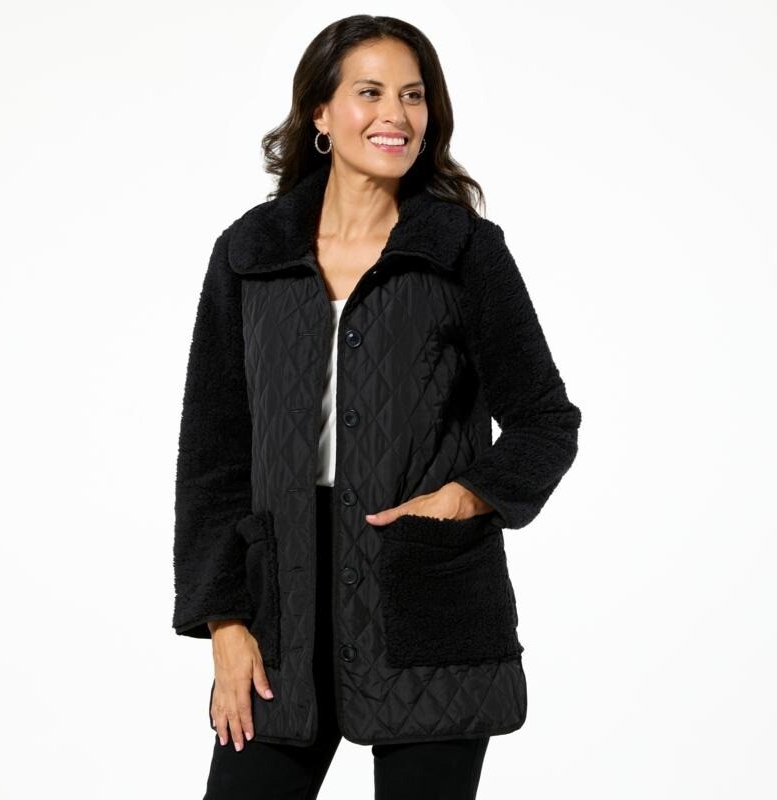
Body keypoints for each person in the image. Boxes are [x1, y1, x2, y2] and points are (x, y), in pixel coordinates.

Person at [171, 14, 582, 800]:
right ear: (321, 114)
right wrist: (224, 622)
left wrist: (465, 496)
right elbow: (214, 458)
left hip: (426, 594)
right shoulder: (250, 254)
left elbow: (545, 420)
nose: (396, 114)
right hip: (280, 610)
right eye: (370, 93)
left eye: (413, 96)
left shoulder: (463, 250)